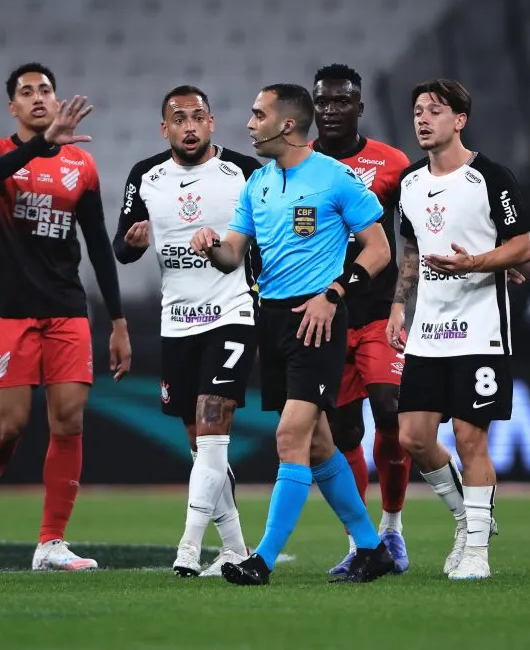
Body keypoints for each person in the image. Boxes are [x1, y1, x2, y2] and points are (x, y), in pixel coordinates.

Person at [190, 83, 393, 585]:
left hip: (318, 319)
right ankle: (371, 548)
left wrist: (335, 293)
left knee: (289, 436)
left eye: (258, 114)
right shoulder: (256, 183)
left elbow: (379, 248)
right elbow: (233, 255)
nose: (248, 124)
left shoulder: (335, 178)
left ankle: (260, 560)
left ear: (287, 125)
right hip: (273, 321)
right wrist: (210, 245)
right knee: (320, 445)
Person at [0, 62, 132, 570]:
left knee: (68, 421)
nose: (37, 97)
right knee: (9, 427)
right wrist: (40, 144)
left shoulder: (82, 167)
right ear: (13, 106)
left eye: (45, 90)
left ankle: (51, 543)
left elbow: (98, 247)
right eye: (26, 92)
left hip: (67, 310)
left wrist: (117, 322)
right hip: (11, 312)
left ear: (56, 100)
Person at [387, 79, 530, 580]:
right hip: (428, 331)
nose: (422, 119)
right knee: (413, 436)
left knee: (471, 439)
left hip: (480, 330)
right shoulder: (408, 183)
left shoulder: (490, 177)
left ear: (460, 120)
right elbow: (411, 250)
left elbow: (524, 246)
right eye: (417, 111)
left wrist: (477, 262)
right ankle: (467, 519)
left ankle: (476, 553)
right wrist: (397, 307)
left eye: (434, 110)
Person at [114, 85, 261, 577]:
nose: (190, 126)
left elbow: (274, 231)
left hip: (233, 311)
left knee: (214, 425)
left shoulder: (244, 171)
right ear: (165, 129)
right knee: (200, 442)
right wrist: (134, 243)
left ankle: (188, 546)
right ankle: (236, 549)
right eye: (179, 119)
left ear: (212, 122)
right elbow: (121, 246)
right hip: (177, 322)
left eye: (198, 117)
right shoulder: (146, 176)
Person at [310, 63, 413, 575]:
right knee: (344, 431)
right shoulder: (298, 165)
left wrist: (404, 300)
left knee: (391, 413)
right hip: (325, 317)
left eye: (341, 101)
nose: (331, 110)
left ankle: (393, 530)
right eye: (323, 102)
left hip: (377, 313)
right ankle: (361, 540)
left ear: (359, 107)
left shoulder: (391, 164)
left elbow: (414, 236)